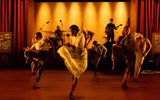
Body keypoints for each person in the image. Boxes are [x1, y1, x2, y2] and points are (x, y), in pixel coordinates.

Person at [57, 25, 88, 99]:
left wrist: (69, 45)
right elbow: (74, 46)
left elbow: (78, 49)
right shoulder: (74, 37)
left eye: (70, 31)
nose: (69, 32)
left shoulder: (81, 37)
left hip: (80, 57)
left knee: (75, 76)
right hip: (76, 54)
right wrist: (69, 45)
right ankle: (71, 92)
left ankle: (71, 93)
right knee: (62, 49)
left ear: (74, 31)